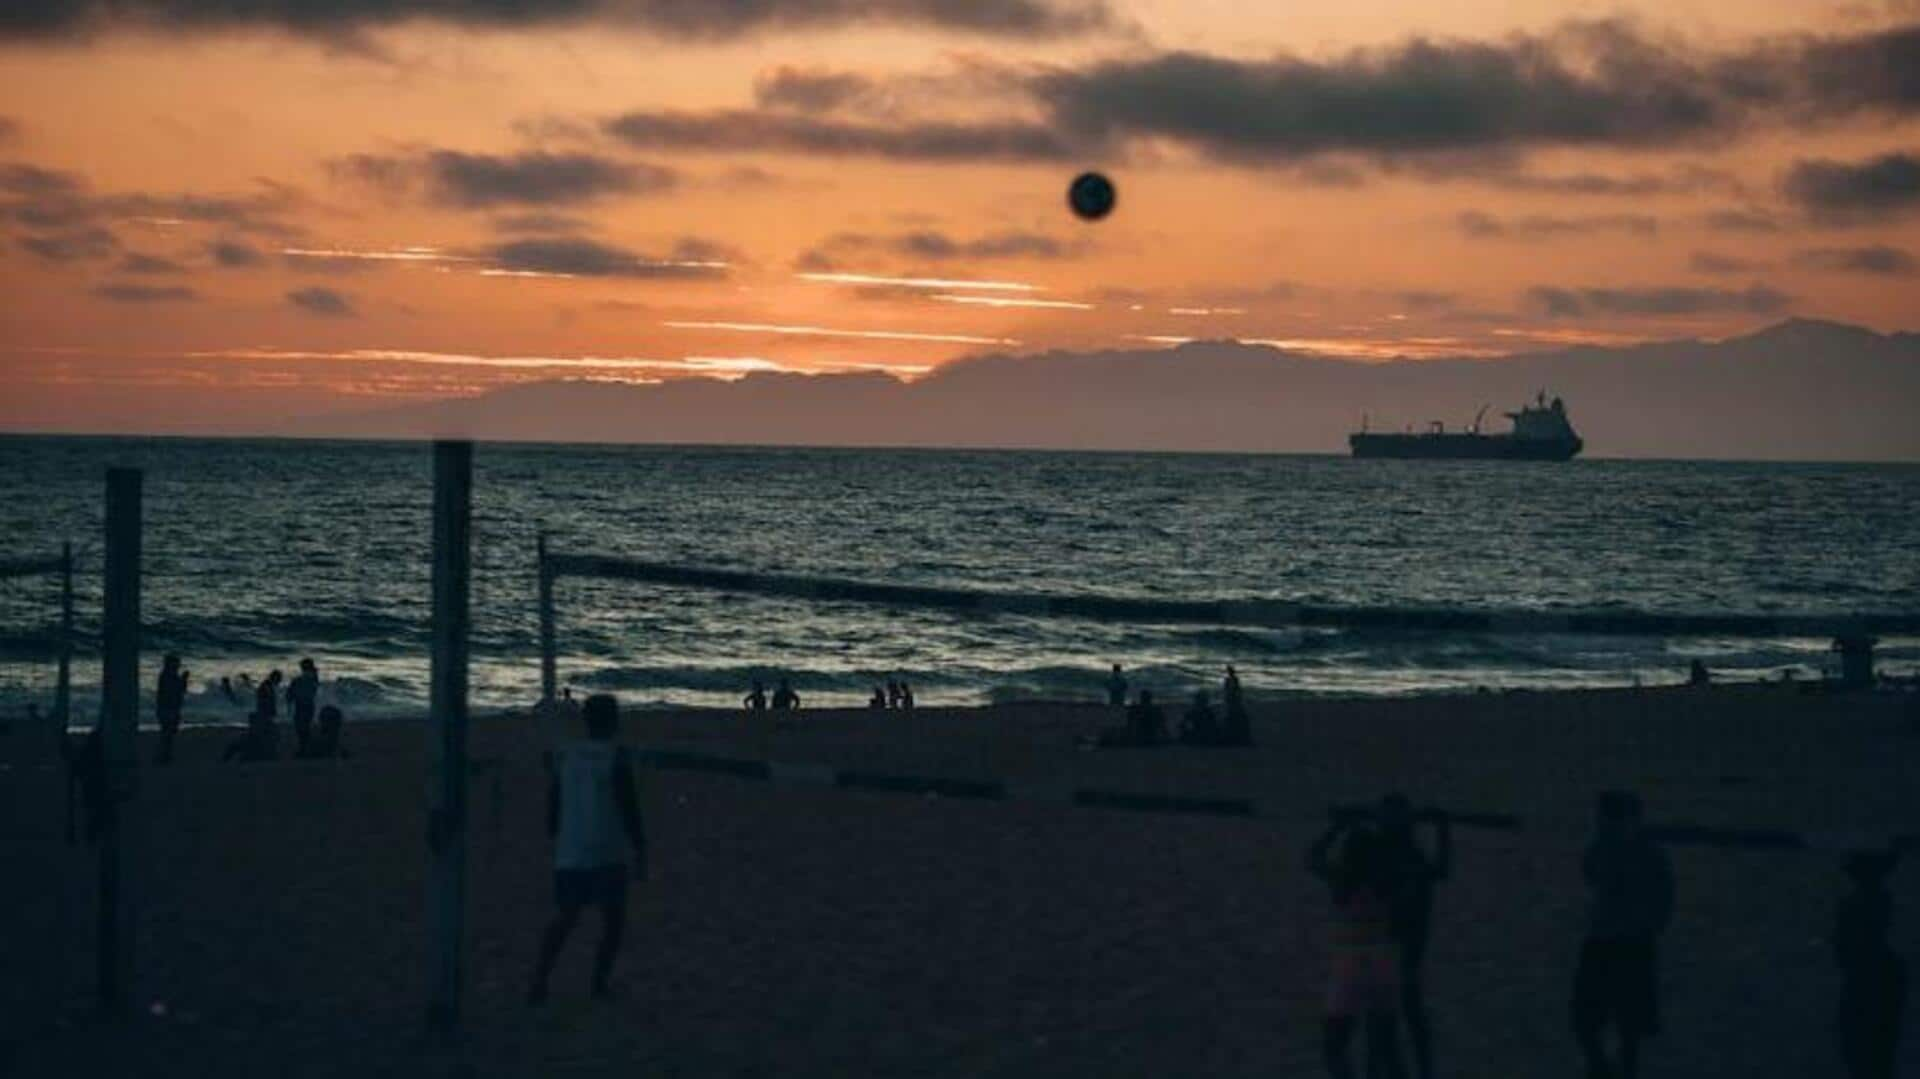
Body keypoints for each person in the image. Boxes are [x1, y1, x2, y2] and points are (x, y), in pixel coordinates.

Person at [529, 693, 647, 1005]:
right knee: (613, 921)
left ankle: (540, 980)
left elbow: (554, 799)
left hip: (573, 849)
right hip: (607, 849)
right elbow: (630, 807)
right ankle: (598, 984)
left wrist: (554, 829)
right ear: (614, 722)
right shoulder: (615, 756)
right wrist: (640, 849)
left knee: (566, 917)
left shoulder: (567, 754)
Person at [1573, 790, 1674, 1079]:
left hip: (1625, 942)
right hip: (1611, 940)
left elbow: (1664, 898)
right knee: (1594, 1019)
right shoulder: (1613, 848)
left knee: (1622, 1022)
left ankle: (1612, 1069)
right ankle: (1604, 1068)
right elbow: (1590, 872)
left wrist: (1651, 927)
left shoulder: (1648, 853)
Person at [1309, 813, 1408, 1079]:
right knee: (1381, 1045)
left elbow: (1312, 857)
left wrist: (1337, 827)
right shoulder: (1388, 878)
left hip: (1351, 961)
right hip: (1384, 958)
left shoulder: (1341, 878)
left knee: (1334, 1046)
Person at [1377, 794, 1452, 1079]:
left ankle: (1414, 1071)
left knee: (1399, 1013)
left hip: (1401, 944)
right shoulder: (1402, 855)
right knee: (1401, 1013)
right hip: (1396, 943)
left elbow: (1439, 871)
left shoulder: (1404, 856)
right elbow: (1440, 870)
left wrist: (1443, 830)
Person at [1834, 851, 1906, 1079]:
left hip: (1868, 979)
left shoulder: (1855, 906)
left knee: (1864, 1049)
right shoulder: (1888, 966)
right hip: (1876, 976)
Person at [154, 654, 189, 765]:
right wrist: (183, 679)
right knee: (168, 732)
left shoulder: (166, 676)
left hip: (169, 708)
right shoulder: (168, 676)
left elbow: (180, 690)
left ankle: (165, 755)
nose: (178, 665)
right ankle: (164, 756)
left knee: (168, 732)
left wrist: (183, 680)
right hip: (168, 708)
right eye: (176, 663)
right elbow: (177, 690)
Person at [287, 658, 320, 757]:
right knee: (304, 727)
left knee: (301, 728)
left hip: (302, 705)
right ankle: (305, 748)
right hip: (308, 705)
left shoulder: (302, 680)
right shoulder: (313, 678)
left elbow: (292, 694)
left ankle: (304, 749)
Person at [1222, 665, 1252, 746]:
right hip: (1232, 698)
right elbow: (1228, 690)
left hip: (1233, 698)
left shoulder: (1232, 680)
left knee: (1233, 712)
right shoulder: (1230, 680)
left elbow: (1234, 690)